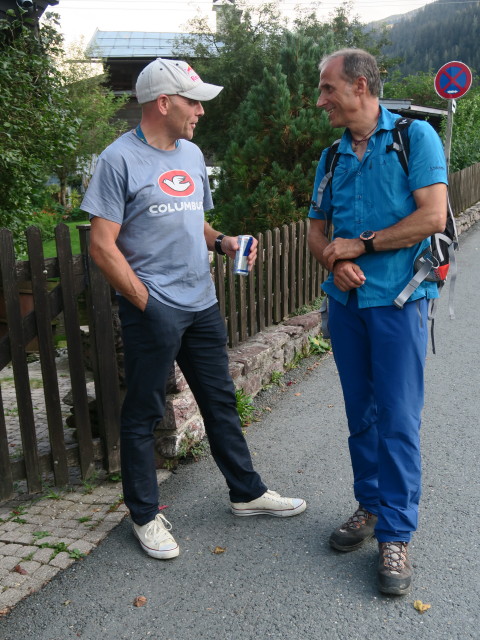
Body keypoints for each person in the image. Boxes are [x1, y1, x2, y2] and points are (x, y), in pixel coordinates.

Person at [81, 58, 306, 561]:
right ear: (164, 103)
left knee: (220, 402)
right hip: (153, 310)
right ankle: (144, 515)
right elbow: (101, 245)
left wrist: (222, 241)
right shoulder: (117, 160)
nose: (200, 110)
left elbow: (193, 218)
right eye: (192, 100)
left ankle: (246, 492)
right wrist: (146, 303)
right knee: (143, 414)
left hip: (201, 303)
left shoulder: (191, 153)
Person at [307, 49, 447, 595]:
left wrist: (361, 246)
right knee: (360, 414)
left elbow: (432, 216)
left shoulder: (414, 138)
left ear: (361, 86)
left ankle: (396, 533)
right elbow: (316, 231)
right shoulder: (333, 156)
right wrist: (335, 261)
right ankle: (369, 506)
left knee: (397, 417)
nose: (321, 100)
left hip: (400, 301)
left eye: (327, 89)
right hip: (347, 308)